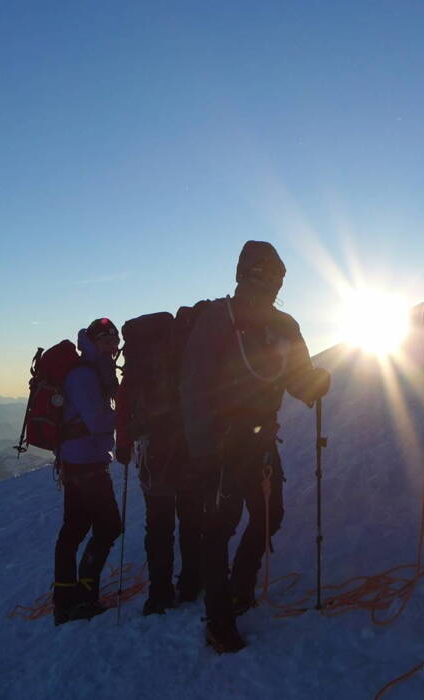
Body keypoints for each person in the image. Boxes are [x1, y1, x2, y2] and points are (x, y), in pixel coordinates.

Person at [180, 240, 331, 653]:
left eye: (275, 275)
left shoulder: (284, 325)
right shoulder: (217, 319)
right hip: (221, 442)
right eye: (262, 273)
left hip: (258, 439)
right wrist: (203, 448)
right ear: (244, 274)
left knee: (268, 515)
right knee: (220, 528)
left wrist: (315, 383)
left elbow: (296, 379)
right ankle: (219, 620)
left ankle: (239, 588)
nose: (269, 282)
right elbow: (194, 389)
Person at [115, 314, 205, 616]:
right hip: (188, 448)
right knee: (191, 518)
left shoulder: (139, 366)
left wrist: (124, 445)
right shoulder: (183, 354)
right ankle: (192, 582)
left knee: (159, 526)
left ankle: (160, 593)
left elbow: (124, 404)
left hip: (154, 453)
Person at [52, 318, 125, 625]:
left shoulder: (93, 371)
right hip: (86, 462)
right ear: (93, 343)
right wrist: (128, 417)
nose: (112, 347)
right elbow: (97, 422)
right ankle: (84, 597)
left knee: (75, 528)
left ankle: (66, 599)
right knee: (108, 526)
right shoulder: (85, 376)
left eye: (114, 341)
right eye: (106, 341)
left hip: (77, 460)